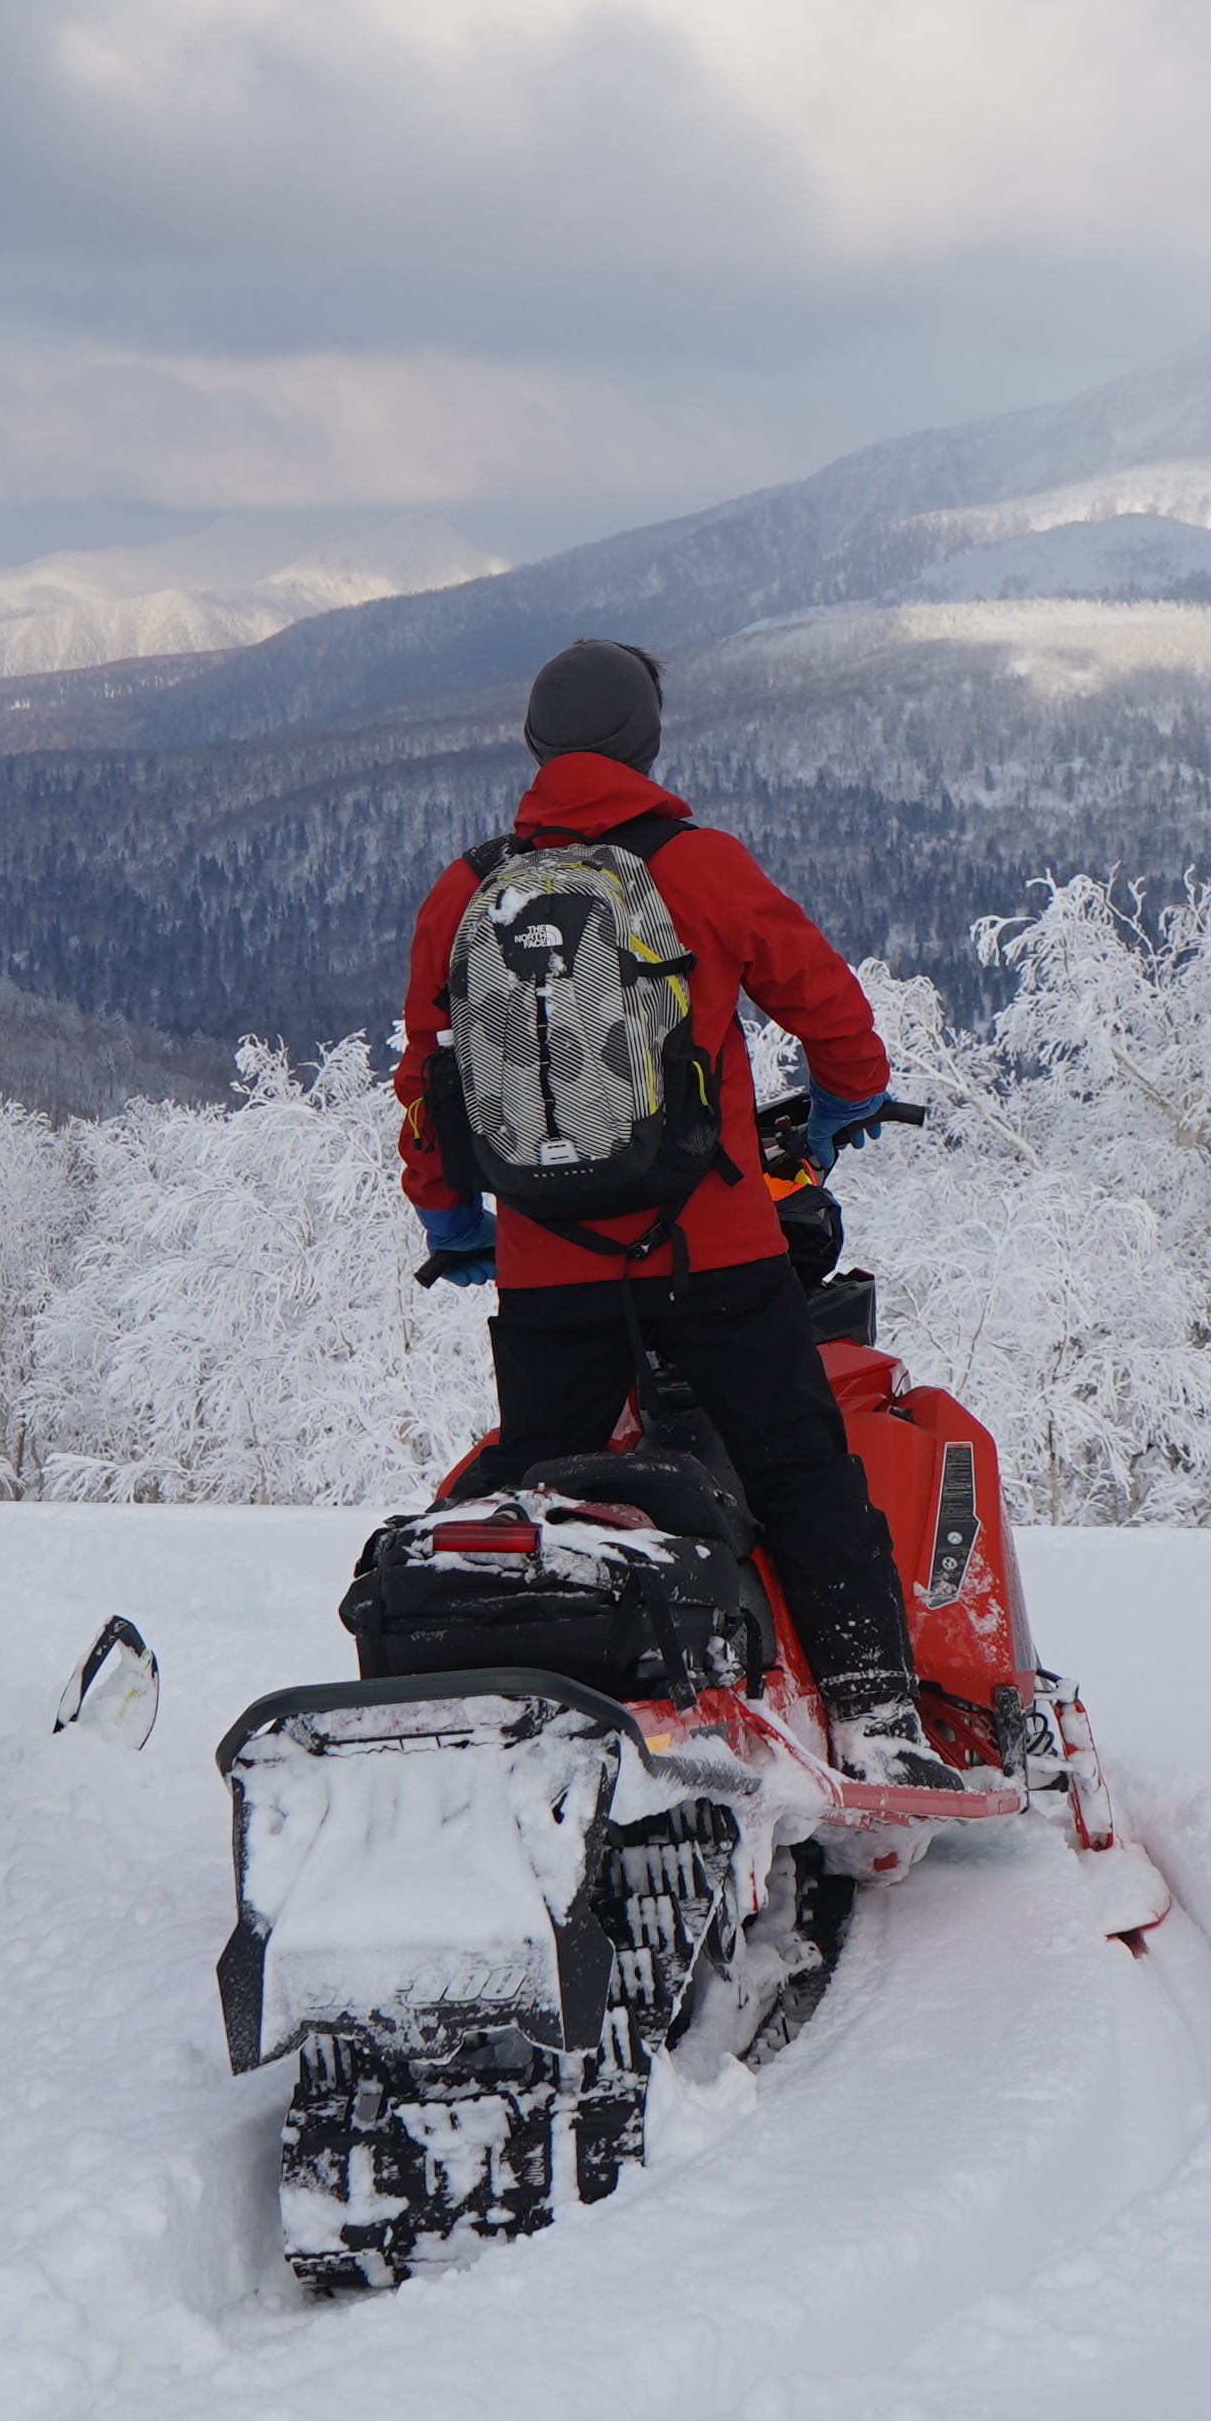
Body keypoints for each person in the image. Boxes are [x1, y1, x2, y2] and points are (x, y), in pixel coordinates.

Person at [394, 639, 953, 1786]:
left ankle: (534, 1725)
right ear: (648, 742)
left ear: (538, 747)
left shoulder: (466, 888)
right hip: (718, 1251)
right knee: (801, 1467)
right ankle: (874, 1719)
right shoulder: (699, 865)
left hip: (550, 1274)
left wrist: (454, 1225)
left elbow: (431, 1078)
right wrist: (849, 1096)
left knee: (541, 1494)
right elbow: (827, 1003)